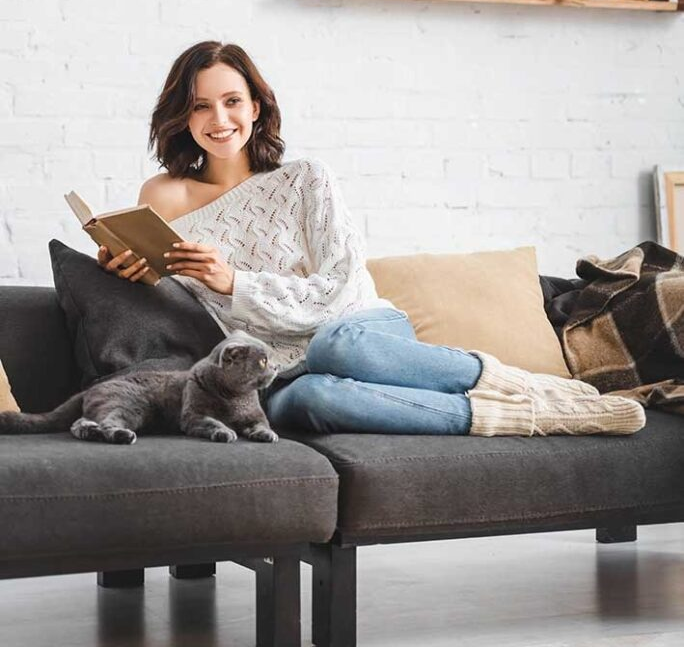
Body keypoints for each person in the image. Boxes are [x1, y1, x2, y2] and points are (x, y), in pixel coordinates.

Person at [97, 41, 646, 438]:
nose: (219, 118)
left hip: (359, 328)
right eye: (200, 105)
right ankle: (523, 417)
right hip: (281, 366)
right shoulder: (163, 196)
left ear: (256, 106)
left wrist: (234, 281)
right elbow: (176, 291)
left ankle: (527, 387)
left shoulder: (305, 178)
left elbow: (338, 290)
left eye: (232, 100)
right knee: (307, 401)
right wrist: (134, 271)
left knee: (338, 343)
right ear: (182, 115)